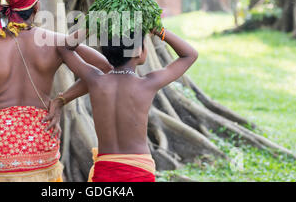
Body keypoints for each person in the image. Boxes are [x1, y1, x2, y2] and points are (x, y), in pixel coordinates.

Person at [0, 0, 112, 182]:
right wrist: (61, 100)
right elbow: (104, 68)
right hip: (40, 152)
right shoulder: (56, 41)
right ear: (37, 7)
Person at [45, 29, 198, 182]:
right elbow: (190, 54)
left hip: (104, 171)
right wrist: (159, 30)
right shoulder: (147, 84)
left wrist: (92, 25)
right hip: (139, 171)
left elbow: (64, 47)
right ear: (138, 50)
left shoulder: (95, 80)